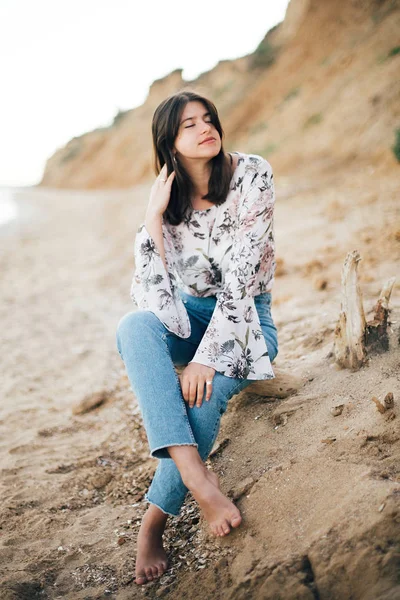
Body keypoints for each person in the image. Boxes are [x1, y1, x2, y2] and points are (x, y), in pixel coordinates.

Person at [116, 90, 278, 586]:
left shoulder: (253, 174)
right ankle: (195, 476)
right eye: (189, 125)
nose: (205, 128)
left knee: (201, 399)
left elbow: (244, 277)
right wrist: (152, 222)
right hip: (188, 315)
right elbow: (154, 297)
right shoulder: (167, 201)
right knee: (133, 326)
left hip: (248, 317)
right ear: (169, 143)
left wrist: (208, 357)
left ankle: (153, 524)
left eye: (208, 119)